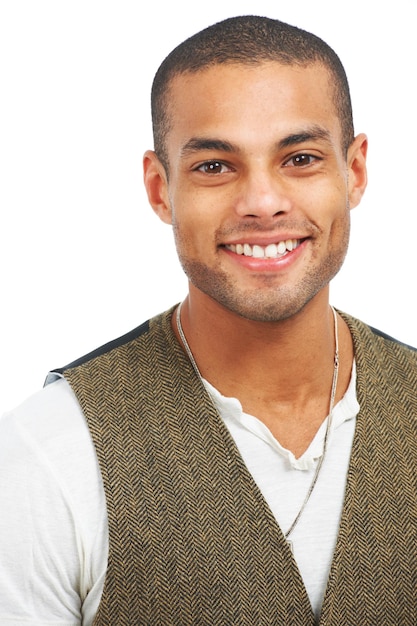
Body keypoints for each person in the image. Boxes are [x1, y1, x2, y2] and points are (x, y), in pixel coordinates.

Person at [0, 14, 416, 626]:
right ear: (159, 188)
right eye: (215, 166)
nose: (263, 202)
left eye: (299, 158)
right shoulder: (47, 457)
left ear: (353, 171)